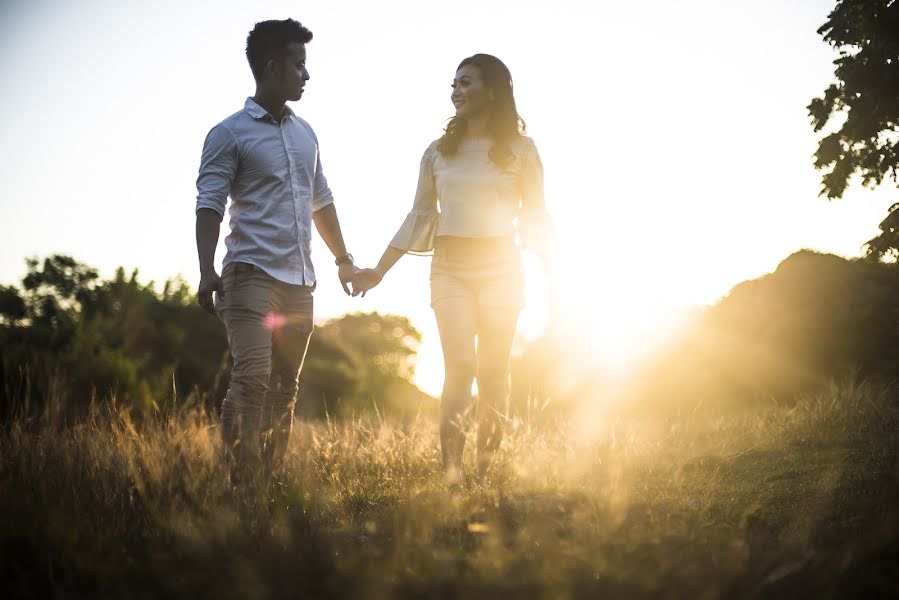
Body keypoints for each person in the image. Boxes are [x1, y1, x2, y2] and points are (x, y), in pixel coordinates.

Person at [353, 54, 553, 486]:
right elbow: (420, 216)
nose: (455, 91)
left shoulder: (522, 151)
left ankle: (484, 473)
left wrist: (556, 279)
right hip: (451, 268)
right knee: (461, 366)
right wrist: (378, 271)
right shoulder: (437, 152)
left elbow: (536, 218)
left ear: (494, 91)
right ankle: (452, 476)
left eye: (466, 83)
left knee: (494, 370)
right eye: (454, 84)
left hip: (502, 267)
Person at [195, 19, 357, 483]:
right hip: (248, 277)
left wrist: (343, 259)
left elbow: (320, 200)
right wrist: (207, 270)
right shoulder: (228, 133)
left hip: (300, 282)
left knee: (285, 390)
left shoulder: (307, 134)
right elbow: (209, 204)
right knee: (252, 379)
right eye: (299, 65)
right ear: (272, 67)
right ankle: (235, 488)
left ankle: (266, 484)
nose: (306, 75)